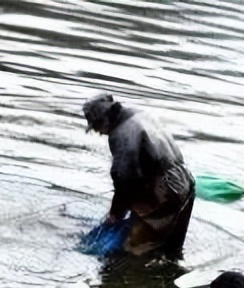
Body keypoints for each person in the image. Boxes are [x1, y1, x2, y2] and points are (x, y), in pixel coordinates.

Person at [82, 92, 196, 256]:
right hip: (185, 183)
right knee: (170, 249)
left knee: (133, 247)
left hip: (167, 193)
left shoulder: (121, 134)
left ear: (103, 119)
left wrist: (115, 215)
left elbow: (125, 179)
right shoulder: (140, 114)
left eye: (96, 127)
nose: (98, 132)